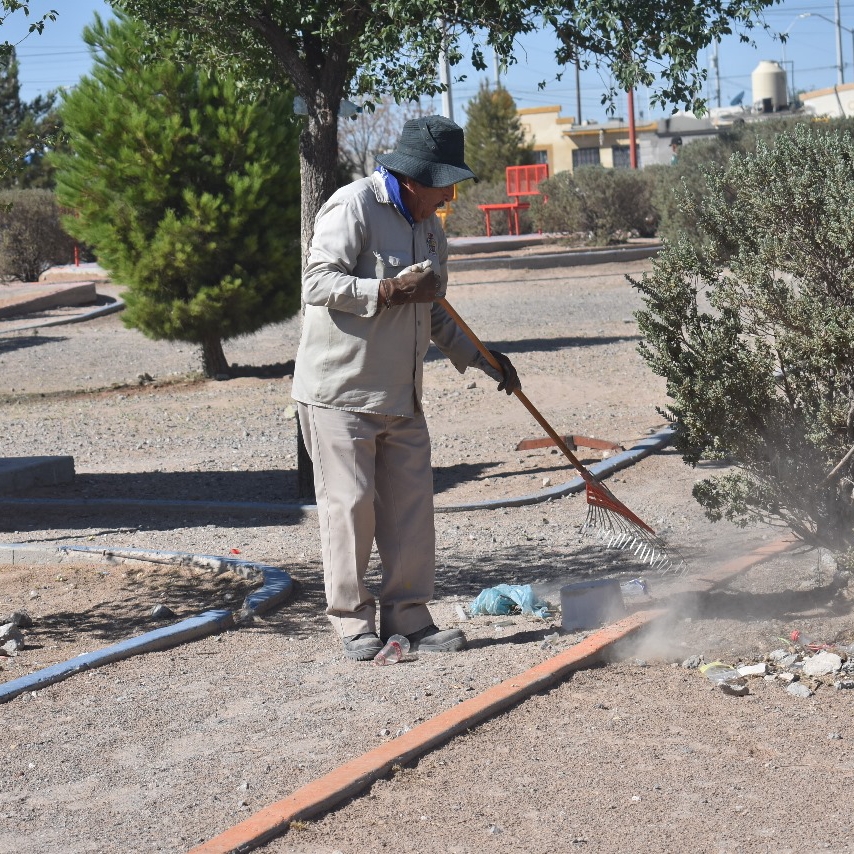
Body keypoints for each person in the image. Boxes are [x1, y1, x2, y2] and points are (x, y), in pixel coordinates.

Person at [292, 115, 521, 661]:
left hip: (402, 396)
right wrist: (388, 288)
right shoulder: (353, 207)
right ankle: (352, 624)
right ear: (414, 177)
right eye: (443, 186)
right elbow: (316, 281)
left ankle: (411, 619)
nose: (448, 197)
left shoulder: (430, 227)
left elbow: (436, 311)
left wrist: (485, 359)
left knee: (412, 510)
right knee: (350, 509)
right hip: (339, 393)